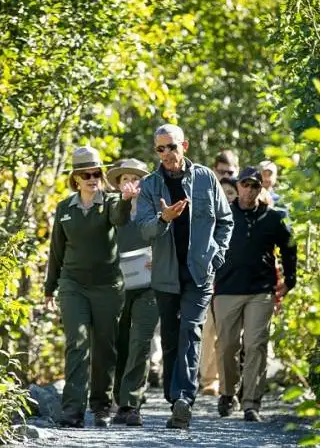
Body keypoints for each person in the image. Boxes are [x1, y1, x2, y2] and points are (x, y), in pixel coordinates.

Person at [136, 124, 234, 429]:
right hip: (165, 273)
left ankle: (183, 399)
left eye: (172, 147)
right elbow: (143, 229)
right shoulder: (151, 185)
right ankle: (173, 394)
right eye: (160, 149)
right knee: (169, 336)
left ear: (185, 146)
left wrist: (216, 257)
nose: (167, 154)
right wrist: (163, 218)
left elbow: (225, 221)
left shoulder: (205, 178)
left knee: (190, 331)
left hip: (199, 272)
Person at [43, 146, 140, 428]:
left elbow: (120, 219)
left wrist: (125, 200)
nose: (92, 177)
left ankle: (100, 407)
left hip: (107, 287)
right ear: (76, 177)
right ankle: (72, 409)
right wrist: (50, 289)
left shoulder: (109, 202)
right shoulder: (65, 208)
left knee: (104, 349)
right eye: (86, 173)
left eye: (96, 172)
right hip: (73, 285)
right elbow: (56, 251)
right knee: (77, 343)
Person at [213, 167, 297, 422]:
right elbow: (203, 243)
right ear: (237, 186)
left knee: (256, 345)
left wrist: (290, 279)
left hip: (261, 291)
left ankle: (251, 403)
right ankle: (228, 394)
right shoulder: (222, 213)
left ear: (261, 189)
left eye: (254, 186)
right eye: (245, 185)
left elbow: (289, 246)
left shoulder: (272, 218)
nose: (249, 190)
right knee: (227, 346)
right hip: (226, 289)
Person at [107, 158, 159, 427]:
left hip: (149, 286)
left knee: (140, 343)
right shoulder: (112, 210)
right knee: (121, 343)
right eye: (125, 178)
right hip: (118, 287)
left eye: (136, 178)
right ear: (118, 184)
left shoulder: (153, 210)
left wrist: (158, 258)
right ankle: (117, 400)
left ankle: (131, 404)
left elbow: (167, 237)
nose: (131, 183)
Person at [199, 151, 240, 396]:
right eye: (222, 171)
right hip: (209, 274)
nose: (226, 176)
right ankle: (209, 380)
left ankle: (230, 382)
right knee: (208, 330)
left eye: (230, 172)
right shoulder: (205, 196)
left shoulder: (244, 198)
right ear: (214, 170)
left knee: (232, 335)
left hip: (236, 278)